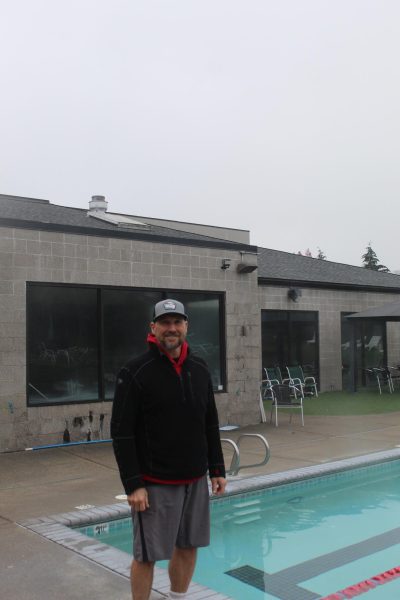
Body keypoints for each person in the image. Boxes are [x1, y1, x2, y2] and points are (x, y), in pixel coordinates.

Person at [111, 298, 226, 600]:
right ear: (153, 327)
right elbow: (121, 433)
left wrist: (217, 468)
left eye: (177, 322)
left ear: (186, 326)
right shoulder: (135, 371)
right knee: (147, 556)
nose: (171, 328)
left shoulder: (199, 368)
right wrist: (134, 484)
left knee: (188, 546)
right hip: (155, 482)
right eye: (165, 323)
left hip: (195, 479)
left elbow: (210, 421)